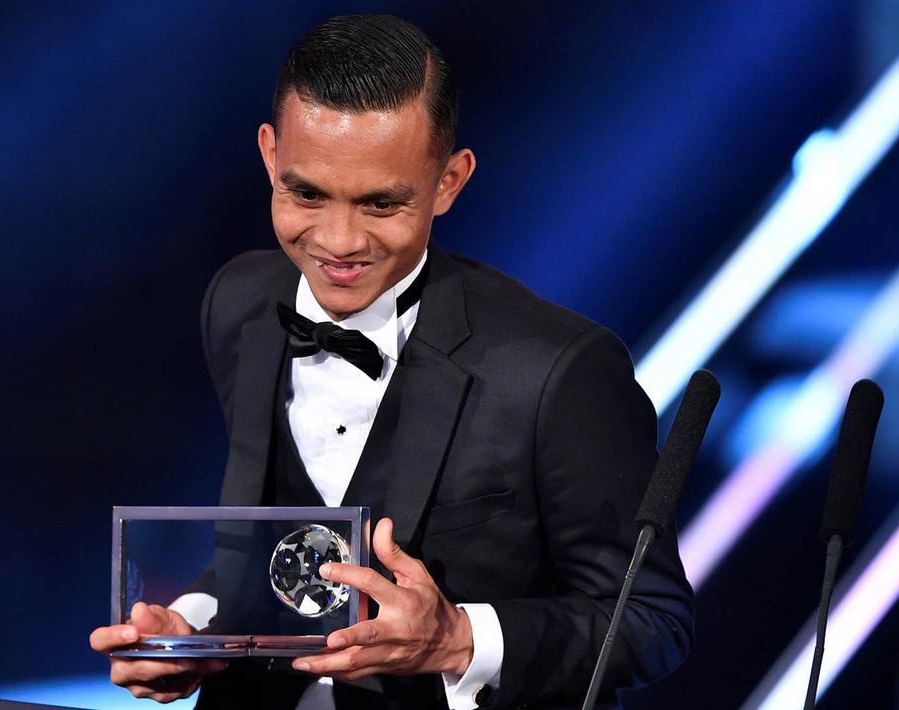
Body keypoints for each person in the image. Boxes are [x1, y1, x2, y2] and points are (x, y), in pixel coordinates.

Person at [90, 14, 694, 709]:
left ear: (448, 181)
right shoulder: (239, 303)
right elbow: (267, 551)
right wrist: (191, 629)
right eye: (306, 193)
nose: (337, 241)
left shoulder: (559, 369)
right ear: (268, 156)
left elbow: (652, 624)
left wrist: (458, 638)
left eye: (381, 203)